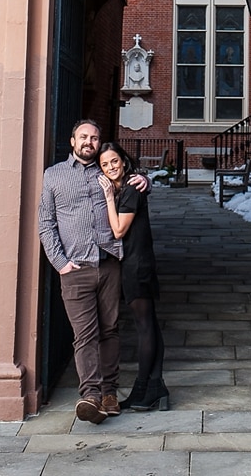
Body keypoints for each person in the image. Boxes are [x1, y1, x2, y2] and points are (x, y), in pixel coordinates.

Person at [38, 119, 146, 424]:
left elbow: (130, 176)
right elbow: (46, 223)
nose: (89, 142)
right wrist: (60, 264)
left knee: (110, 331)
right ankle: (91, 396)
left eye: (95, 138)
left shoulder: (107, 171)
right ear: (72, 141)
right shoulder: (53, 176)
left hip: (110, 264)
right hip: (75, 269)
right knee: (84, 335)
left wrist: (144, 180)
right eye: (83, 137)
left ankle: (110, 394)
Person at [98, 143, 170, 411]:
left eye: (114, 161)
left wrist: (107, 197)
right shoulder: (127, 187)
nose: (111, 167)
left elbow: (118, 230)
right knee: (150, 323)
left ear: (123, 161)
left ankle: (143, 387)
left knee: (143, 326)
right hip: (137, 262)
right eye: (105, 164)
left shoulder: (128, 189)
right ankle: (156, 386)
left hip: (135, 265)